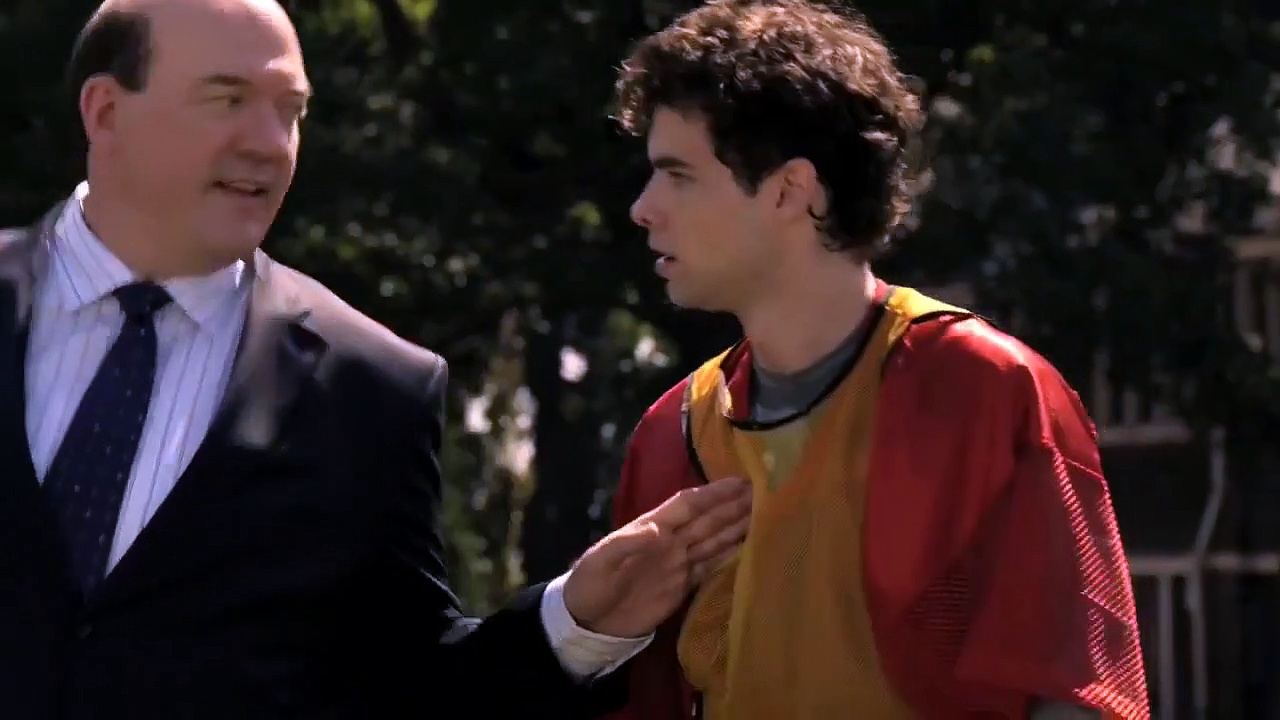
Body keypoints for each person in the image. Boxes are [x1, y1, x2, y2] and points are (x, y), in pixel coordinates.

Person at [0, 0, 753, 718]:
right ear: (105, 111)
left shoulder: (370, 387)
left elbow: (413, 688)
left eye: (291, 111)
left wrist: (574, 622)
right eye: (226, 100)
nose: (270, 144)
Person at [604, 1, 1152, 718]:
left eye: (678, 175)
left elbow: (1071, 691)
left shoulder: (983, 389)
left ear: (790, 191)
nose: (643, 208)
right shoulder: (669, 434)